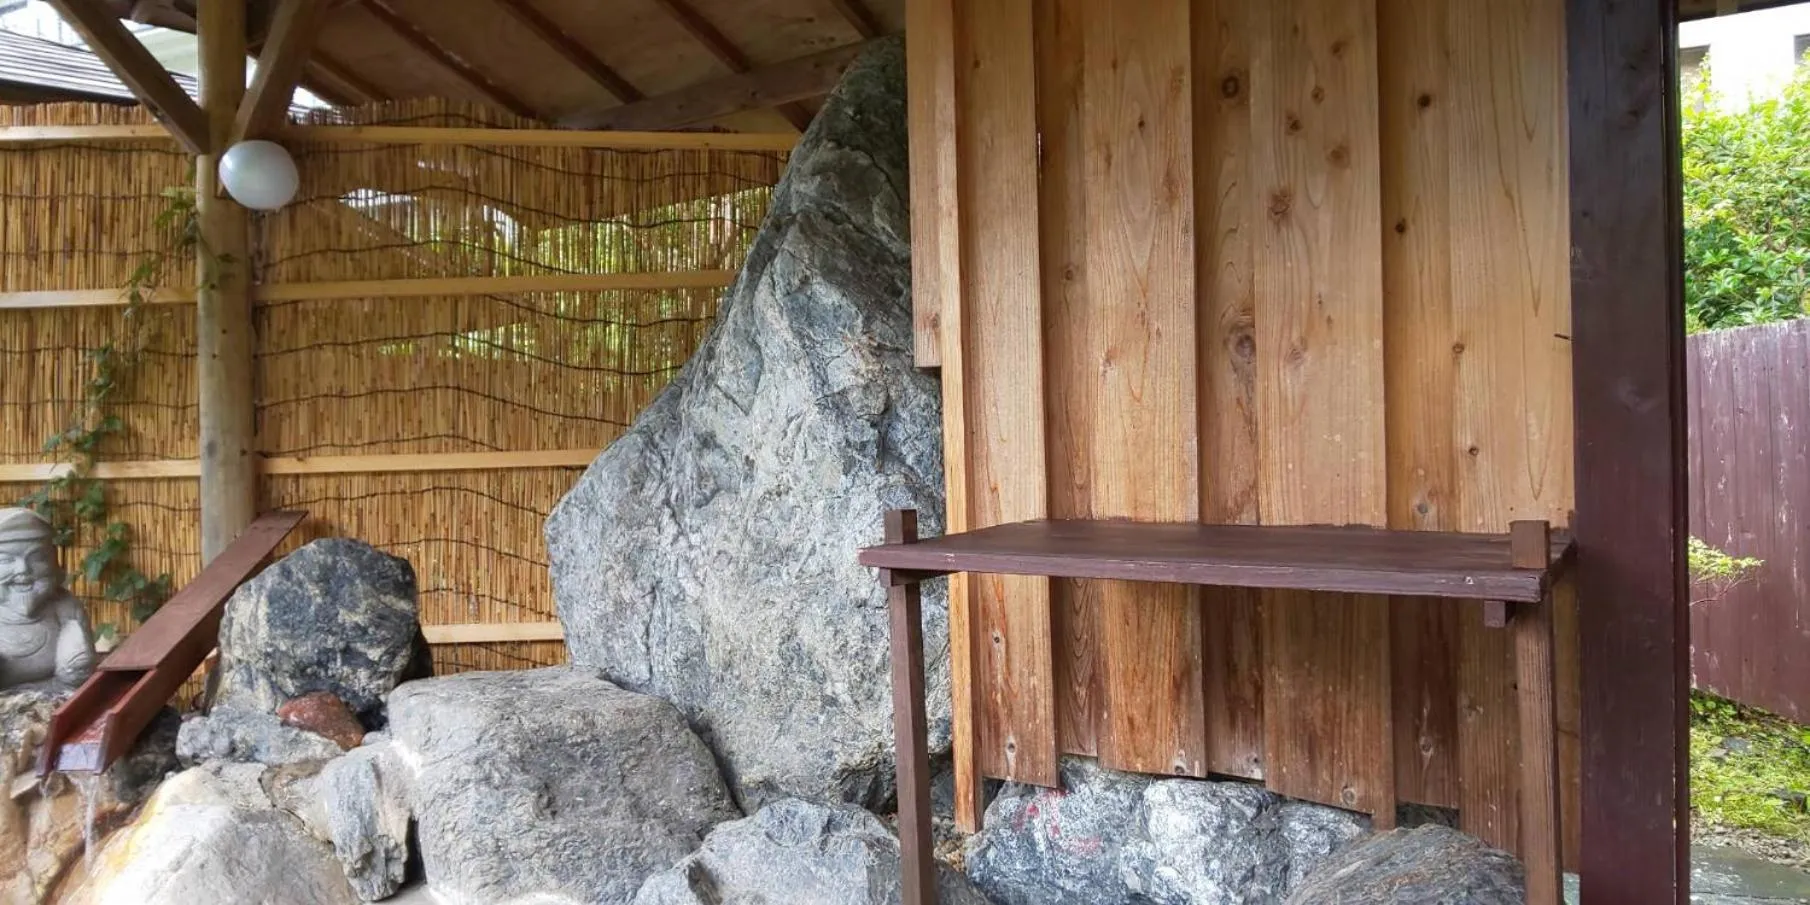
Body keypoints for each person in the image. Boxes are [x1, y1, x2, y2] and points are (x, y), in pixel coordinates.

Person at [0, 508, 95, 692]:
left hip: (58, 701)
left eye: (38, 558)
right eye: (5, 560)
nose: (23, 569)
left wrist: (75, 668)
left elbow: (84, 673)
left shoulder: (65, 607)